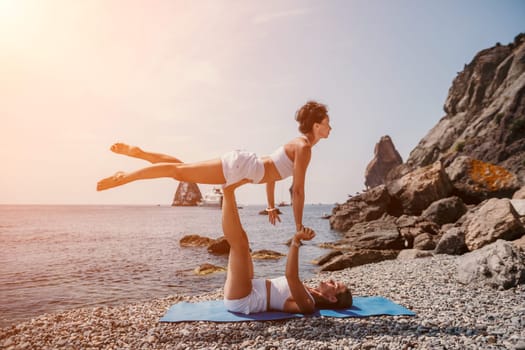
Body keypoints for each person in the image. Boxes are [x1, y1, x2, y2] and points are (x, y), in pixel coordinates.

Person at [97, 101, 332, 232]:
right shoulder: (304, 148)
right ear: (316, 125)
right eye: (327, 123)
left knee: (181, 167)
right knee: (178, 172)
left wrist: (271, 206)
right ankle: (126, 176)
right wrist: (299, 226)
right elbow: (297, 190)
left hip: (246, 167)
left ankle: (140, 153)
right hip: (243, 168)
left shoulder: (296, 144)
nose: (330, 128)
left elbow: (273, 174)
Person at [221, 180, 352, 314]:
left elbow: (291, 276)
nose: (331, 279)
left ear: (332, 299)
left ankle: (226, 191)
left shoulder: (308, 304)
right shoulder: (309, 292)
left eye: (334, 285)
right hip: (250, 286)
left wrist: (296, 241)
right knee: (243, 238)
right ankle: (229, 191)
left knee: (239, 246)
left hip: (244, 299)